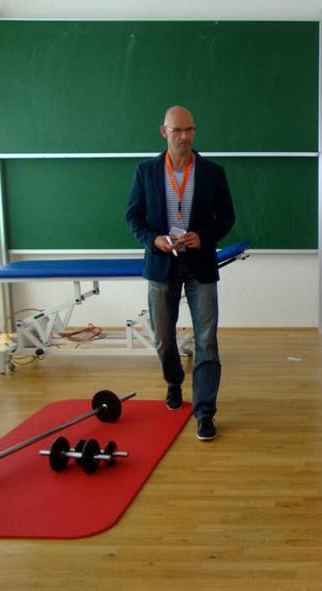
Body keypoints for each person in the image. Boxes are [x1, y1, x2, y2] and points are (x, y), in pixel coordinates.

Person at [126, 105, 235, 441]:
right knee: (162, 337)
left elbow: (226, 218)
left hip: (200, 265)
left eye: (190, 130)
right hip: (161, 264)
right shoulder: (146, 172)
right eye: (178, 131)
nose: (185, 137)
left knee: (206, 340)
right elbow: (134, 217)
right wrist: (153, 239)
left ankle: (204, 412)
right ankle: (173, 381)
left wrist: (204, 236)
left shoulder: (212, 172)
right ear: (164, 132)